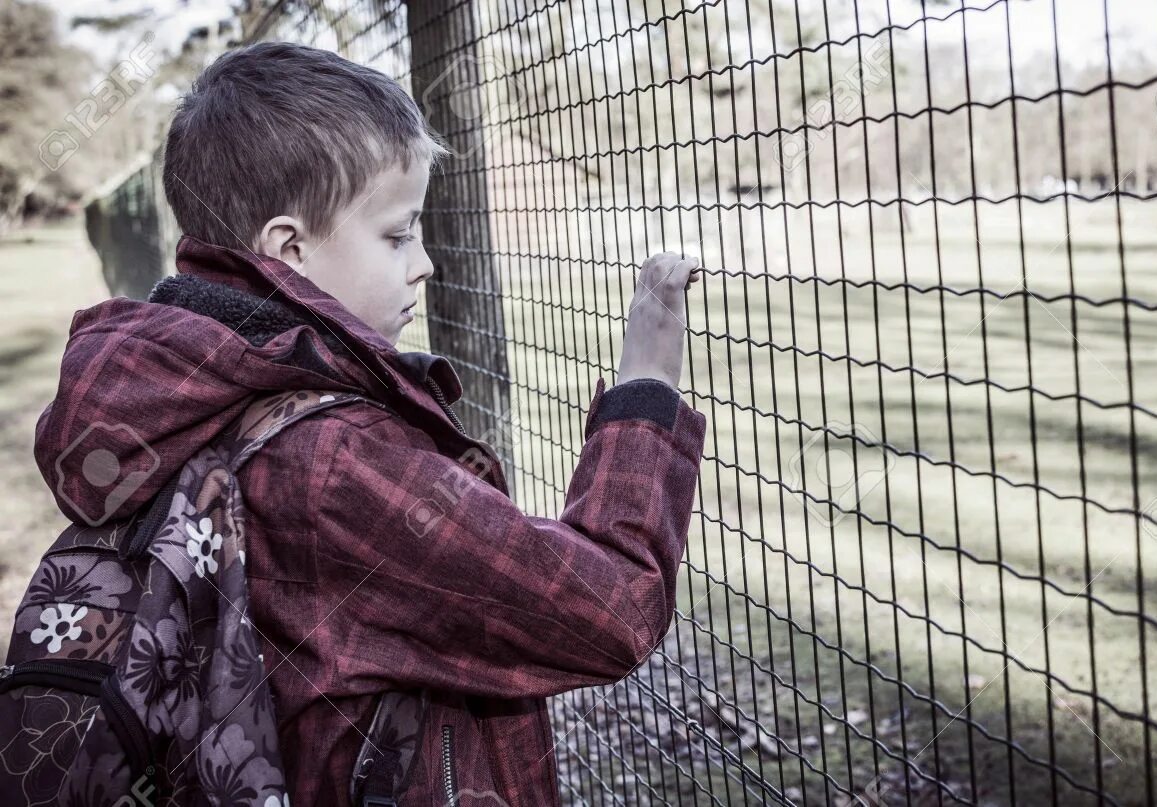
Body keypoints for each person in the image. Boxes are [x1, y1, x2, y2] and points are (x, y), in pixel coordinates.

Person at [34, 41, 707, 805]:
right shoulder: (336, 463)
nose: (424, 263)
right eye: (396, 234)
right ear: (289, 249)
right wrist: (645, 388)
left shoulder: (192, 386)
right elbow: (608, 611)